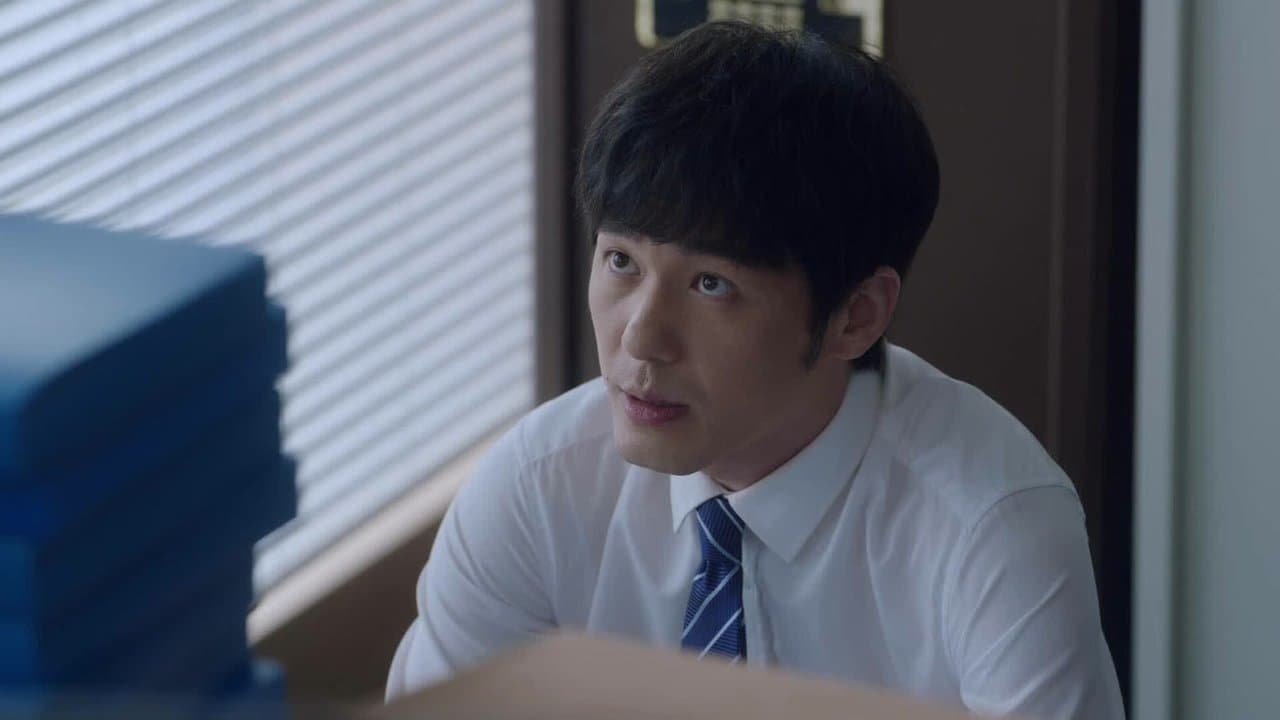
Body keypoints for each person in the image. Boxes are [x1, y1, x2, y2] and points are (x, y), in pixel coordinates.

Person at [386, 20, 1124, 718]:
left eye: (712, 284)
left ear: (856, 315)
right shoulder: (537, 488)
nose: (641, 338)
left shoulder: (991, 529)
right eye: (621, 261)